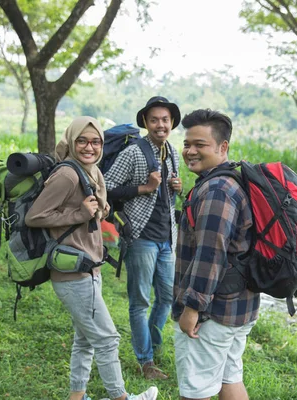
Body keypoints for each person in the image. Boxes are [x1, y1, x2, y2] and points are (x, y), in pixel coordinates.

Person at [25, 116, 158, 400]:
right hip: (72, 273)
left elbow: (89, 212)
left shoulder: (92, 172)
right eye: (82, 141)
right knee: (108, 339)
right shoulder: (67, 174)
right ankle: (120, 397)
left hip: (88, 268)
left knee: (85, 340)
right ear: (72, 142)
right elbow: (35, 217)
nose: (89, 147)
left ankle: (77, 396)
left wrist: (101, 209)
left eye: (96, 141)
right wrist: (80, 214)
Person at [172, 109, 260, 400]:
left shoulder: (217, 190)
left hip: (213, 313)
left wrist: (192, 308)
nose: (190, 151)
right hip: (236, 306)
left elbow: (211, 254)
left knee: (195, 391)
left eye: (200, 144)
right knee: (229, 378)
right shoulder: (228, 182)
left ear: (223, 147)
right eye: (187, 144)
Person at [104, 96, 183, 380]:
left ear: (171, 122)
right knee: (139, 302)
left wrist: (177, 186)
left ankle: (152, 344)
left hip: (167, 238)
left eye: (165, 119)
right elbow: (108, 188)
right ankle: (145, 361)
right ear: (146, 123)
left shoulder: (172, 151)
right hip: (140, 237)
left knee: (167, 297)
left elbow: (167, 196)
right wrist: (144, 187)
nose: (160, 125)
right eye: (154, 120)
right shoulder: (134, 152)